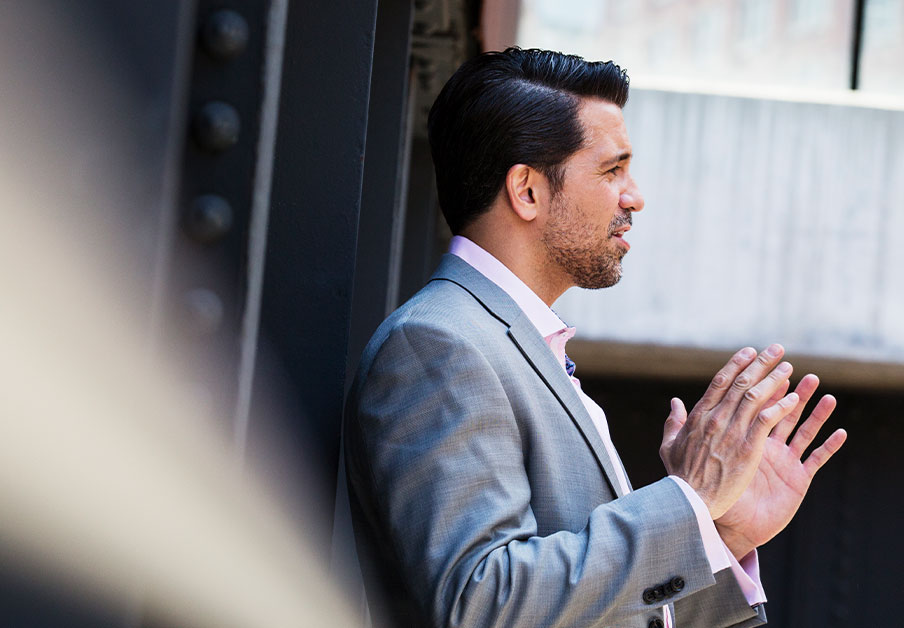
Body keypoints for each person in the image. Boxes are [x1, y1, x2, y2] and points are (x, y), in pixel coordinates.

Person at [344, 48, 848, 628]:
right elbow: (483, 602)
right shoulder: (438, 344)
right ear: (527, 191)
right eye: (612, 170)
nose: (634, 196)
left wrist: (716, 534)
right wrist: (688, 503)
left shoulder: (517, 346)